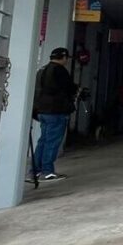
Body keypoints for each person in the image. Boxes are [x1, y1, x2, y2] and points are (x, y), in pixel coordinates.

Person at [32, 47, 77, 181]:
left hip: (42, 111)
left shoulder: (42, 70)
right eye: (66, 58)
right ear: (63, 57)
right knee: (52, 142)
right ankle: (47, 171)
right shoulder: (60, 71)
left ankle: (35, 171)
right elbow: (68, 88)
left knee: (43, 141)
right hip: (56, 111)